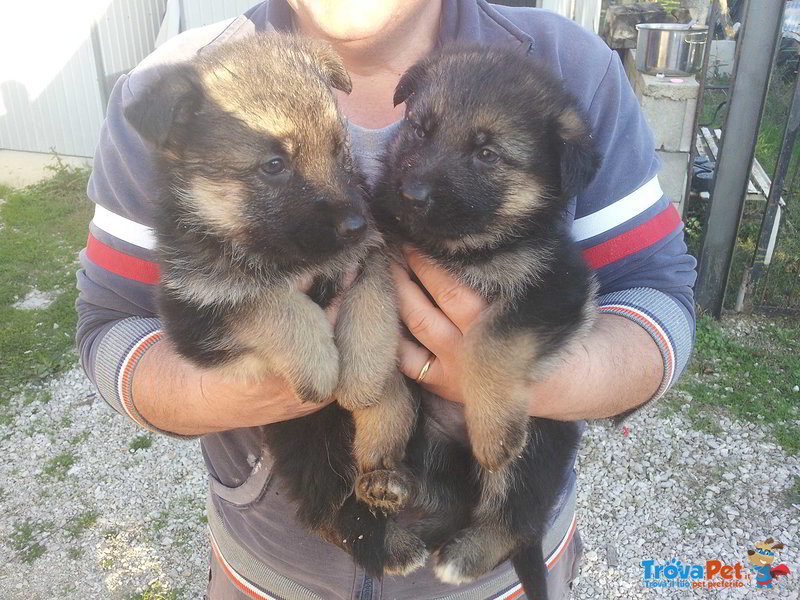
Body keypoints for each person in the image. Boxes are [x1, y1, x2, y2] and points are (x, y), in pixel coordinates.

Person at [76, 1, 697, 598]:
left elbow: (657, 291)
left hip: (496, 577)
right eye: (420, 132)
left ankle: (501, 525)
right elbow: (109, 324)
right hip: (272, 574)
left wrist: (517, 381)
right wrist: (246, 379)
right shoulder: (176, 88)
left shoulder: (571, 66)